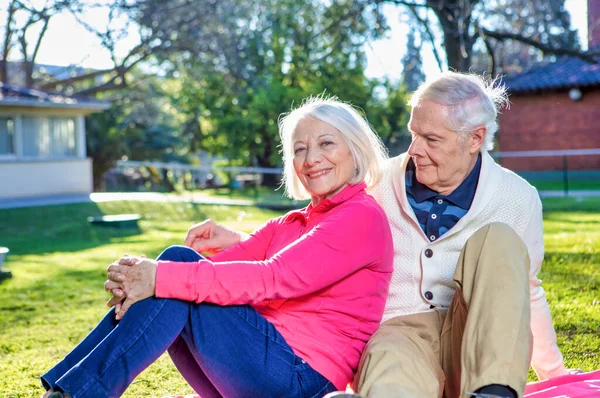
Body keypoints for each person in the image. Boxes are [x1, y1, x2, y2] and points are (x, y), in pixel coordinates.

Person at [174, 72, 568, 398]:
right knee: (388, 380)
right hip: (398, 335)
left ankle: (494, 392)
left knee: (497, 240)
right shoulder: (378, 183)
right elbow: (320, 245)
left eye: (432, 140)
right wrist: (242, 241)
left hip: (475, 332)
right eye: (415, 133)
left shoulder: (518, 199)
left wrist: (554, 374)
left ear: (475, 139)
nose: (415, 149)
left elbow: (523, 290)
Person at [40, 97, 394, 398]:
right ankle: (66, 389)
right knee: (176, 271)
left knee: (174, 272)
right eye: (300, 149)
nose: (311, 158)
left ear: (355, 147)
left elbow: (272, 278)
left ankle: (74, 391)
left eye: (326, 143)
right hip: (259, 362)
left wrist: (156, 277)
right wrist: (139, 280)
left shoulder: (360, 217)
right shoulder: (292, 223)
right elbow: (213, 272)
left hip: (302, 380)